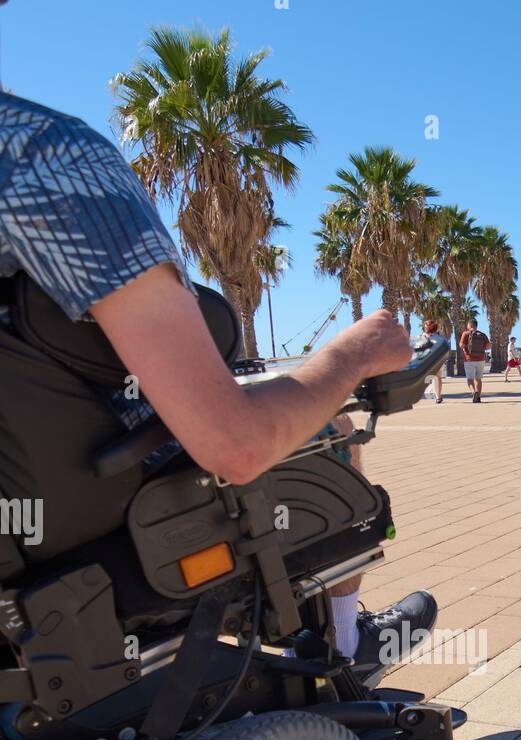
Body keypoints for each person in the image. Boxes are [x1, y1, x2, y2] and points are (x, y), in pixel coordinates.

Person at [0, 85, 436, 686]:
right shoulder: (40, 155)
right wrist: (354, 354)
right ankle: (346, 637)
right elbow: (235, 442)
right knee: (330, 428)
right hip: (95, 532)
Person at [458, 316, 490, 403]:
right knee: (478, 379)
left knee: (470, 379)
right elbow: (488, 346)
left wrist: (466, 347)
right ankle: (478, 397)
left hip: (469, 359)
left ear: (470, 325)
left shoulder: (466, 334)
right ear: (476, 325)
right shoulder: (482, 334)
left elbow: (461, 345)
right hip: (481, 359)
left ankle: (474, 392)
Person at [422, 318, 447, 402]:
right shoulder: (439, 337)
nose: (426, 328)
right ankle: (438, 396)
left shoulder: (424, 336)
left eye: (426, 327)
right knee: (437, 378)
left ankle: (437, 396)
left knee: (435, 378)